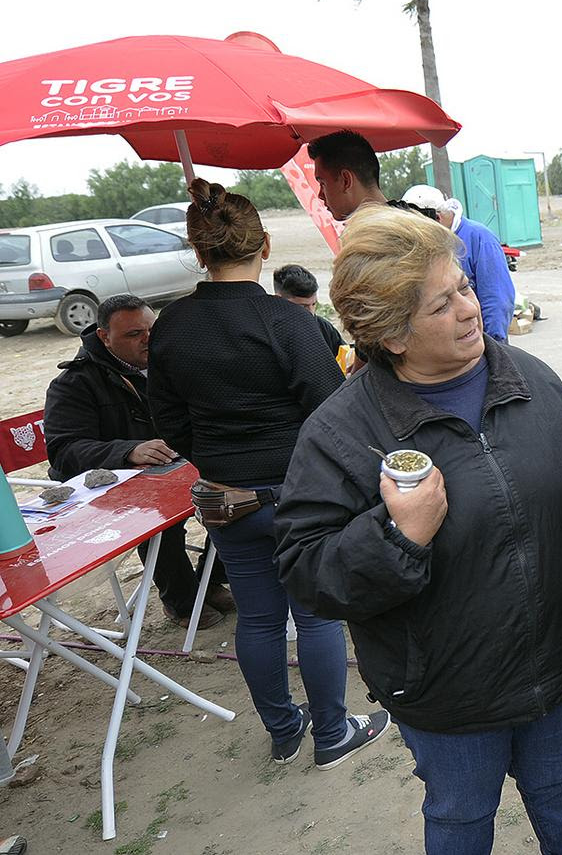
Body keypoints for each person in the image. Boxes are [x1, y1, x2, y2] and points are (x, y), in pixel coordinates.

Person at [275, 205, 562, 854]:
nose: (470, 309)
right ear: (390, 334)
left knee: (560, 792)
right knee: (461, 816)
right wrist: (398, 536)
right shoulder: (341, 433)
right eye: (442, 305)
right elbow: (309, 572)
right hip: (447, 689)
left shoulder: (531, 379)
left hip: (552, 659)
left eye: (465, 287)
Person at [148, 179, 386, 770]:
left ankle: (284, 733)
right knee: (315, 614)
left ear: (199, 251)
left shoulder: (171, 327)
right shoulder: (288, 323)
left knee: (257, 618)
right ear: (266, 245)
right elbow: (331, 413)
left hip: (225, 499)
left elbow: (169, 423)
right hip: (294, 495)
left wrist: (219, 460)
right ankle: (331, 734)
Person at [43, 294, 232, 629]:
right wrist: (127, 451)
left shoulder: (169, 363)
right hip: (107, 488)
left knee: (233, 495)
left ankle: (209, 580)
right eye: (133, 334)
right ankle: (182, 601)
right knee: (160, 518)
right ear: (104, 337)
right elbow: (63, 450)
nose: (147, 339)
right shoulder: (75, 383)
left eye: (151, 329)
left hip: (173, 471)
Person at [400, 184, 516, 343]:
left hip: (479, 341)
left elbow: (497, 301)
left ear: (437, 219)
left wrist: (491, 347)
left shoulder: (480, 238)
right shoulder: (425, 242)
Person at [308, 129, 388, 221]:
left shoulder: (372, 233)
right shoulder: (404, 219)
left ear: (346, 181)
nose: (320, 195)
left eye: (322, 184)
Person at [272, 264, 345, 356]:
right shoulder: (267, 334)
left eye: (314, 304)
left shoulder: (324, 328)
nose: (311, 313)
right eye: (303, 307)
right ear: (278, 301)